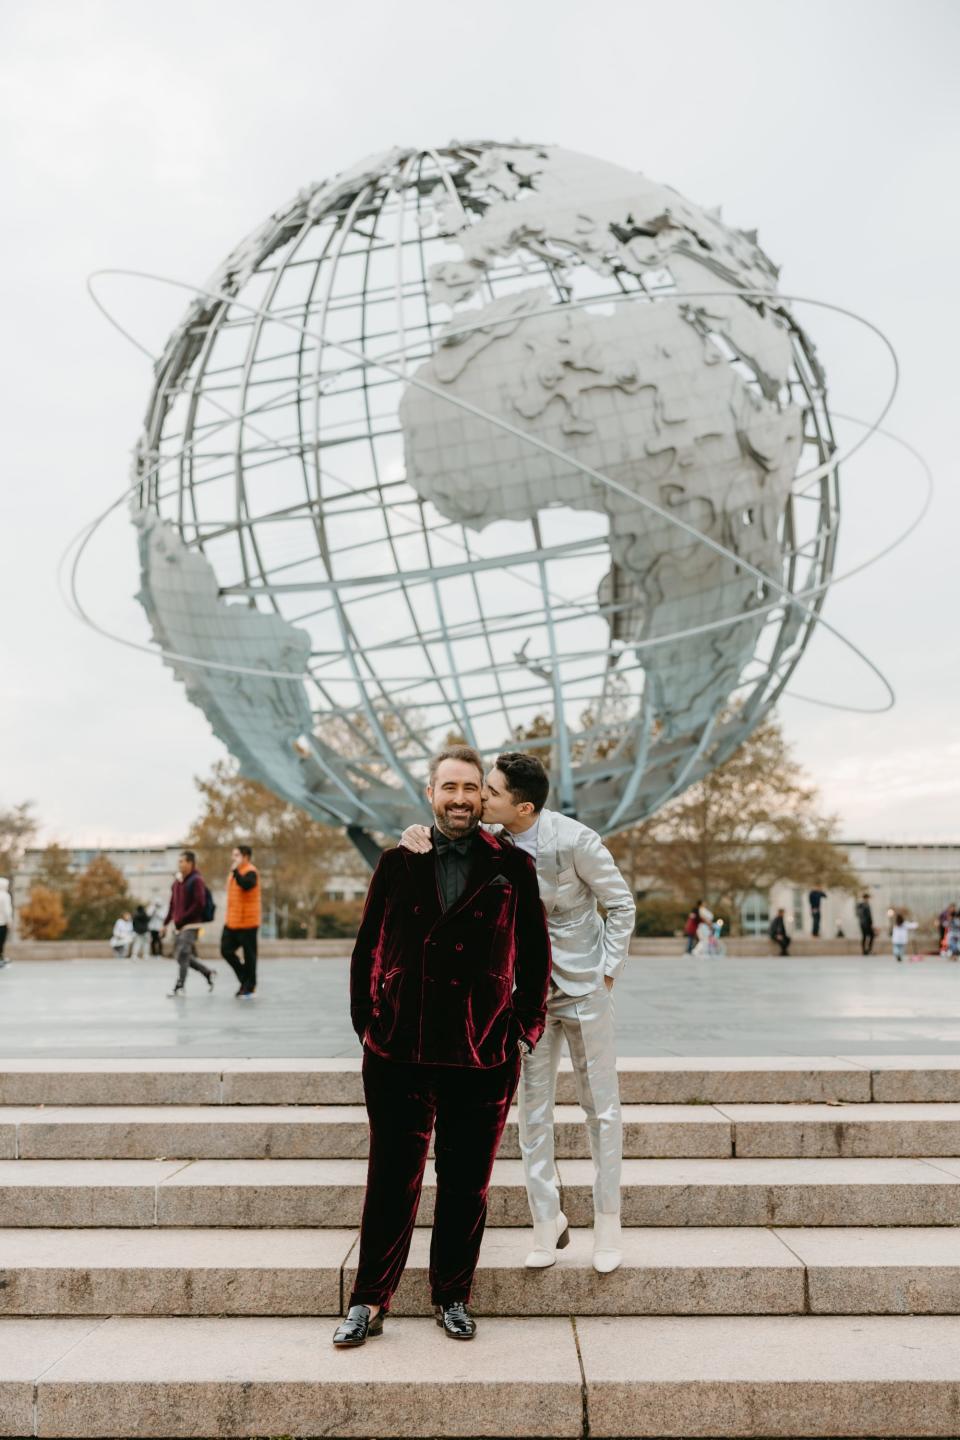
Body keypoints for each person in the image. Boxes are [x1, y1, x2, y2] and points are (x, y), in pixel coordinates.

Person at [333, 746, 551, 1350]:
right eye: (448, 787)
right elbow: (366, 950)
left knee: (465, 1187)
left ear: (484, 797)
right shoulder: (397, 861)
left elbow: (536, 957)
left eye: (471, 788)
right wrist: (369, 1024)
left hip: (483, 1054)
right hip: (399, 1050)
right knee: (389, 1183)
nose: (459, 798)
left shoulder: (514, 866)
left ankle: (452, 1295)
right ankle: (368, 1301)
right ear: (431, 794)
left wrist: (523, 1029)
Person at [400, 750, 636, 1275]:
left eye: (490, 792)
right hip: (524, 996)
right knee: (531, 1112)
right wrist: (410, 837)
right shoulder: (492, 842)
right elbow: (441, 849)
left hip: (584, 987)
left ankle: (608, 1226)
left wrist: (607, 971)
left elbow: (621, 905)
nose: (479, 797)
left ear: (522, 806)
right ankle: (545, 1223)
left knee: (602, 1109)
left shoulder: (577, 841)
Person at [161, 851, 215, 997]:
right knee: (179, 955)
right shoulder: (177, 882)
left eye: (182, 861)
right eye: (178, 861)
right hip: (179, 925)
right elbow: (172, 905)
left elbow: (200, 903)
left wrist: (183, 918)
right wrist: (165, 923)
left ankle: (180, 986)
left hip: (191, 925)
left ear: (190, 863)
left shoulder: (197, 880)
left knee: (183, 953)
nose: (179, 864)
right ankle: (207, 972)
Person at [220, 845, 261, 998]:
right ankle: (245, 979)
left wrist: (236, 872)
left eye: (236, 855)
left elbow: (246, 885)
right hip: (232, 921)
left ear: (245, 857)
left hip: (248, 922)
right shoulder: (234, 874)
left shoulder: (251, 871)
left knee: (250, 956)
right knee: (225, 950)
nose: (233, 858)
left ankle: (249, 986)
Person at [0, 878, 12, 968]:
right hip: (2, 922)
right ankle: (1, 959)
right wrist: (9, 921)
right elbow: (7, 910)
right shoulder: (5, 896)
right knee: (1, 941)